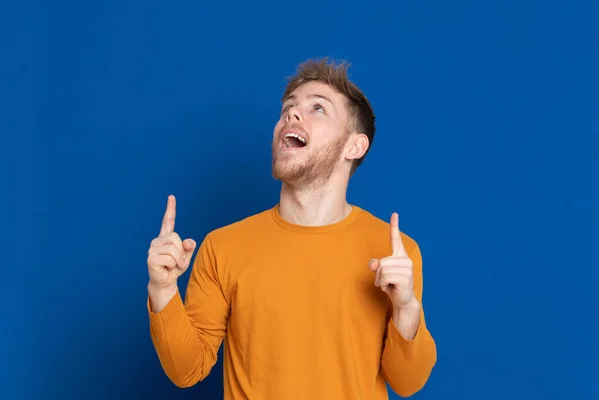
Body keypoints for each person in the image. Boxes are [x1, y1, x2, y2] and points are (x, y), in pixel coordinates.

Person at [146, 58, 437, 399]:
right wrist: (163, 289)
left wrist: (405, 309)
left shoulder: (394, 253)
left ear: (354, 146)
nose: (291, 115)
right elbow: (187, 370)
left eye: (318, 108)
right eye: (288, 107)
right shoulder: (222, 246)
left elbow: (408, 383)